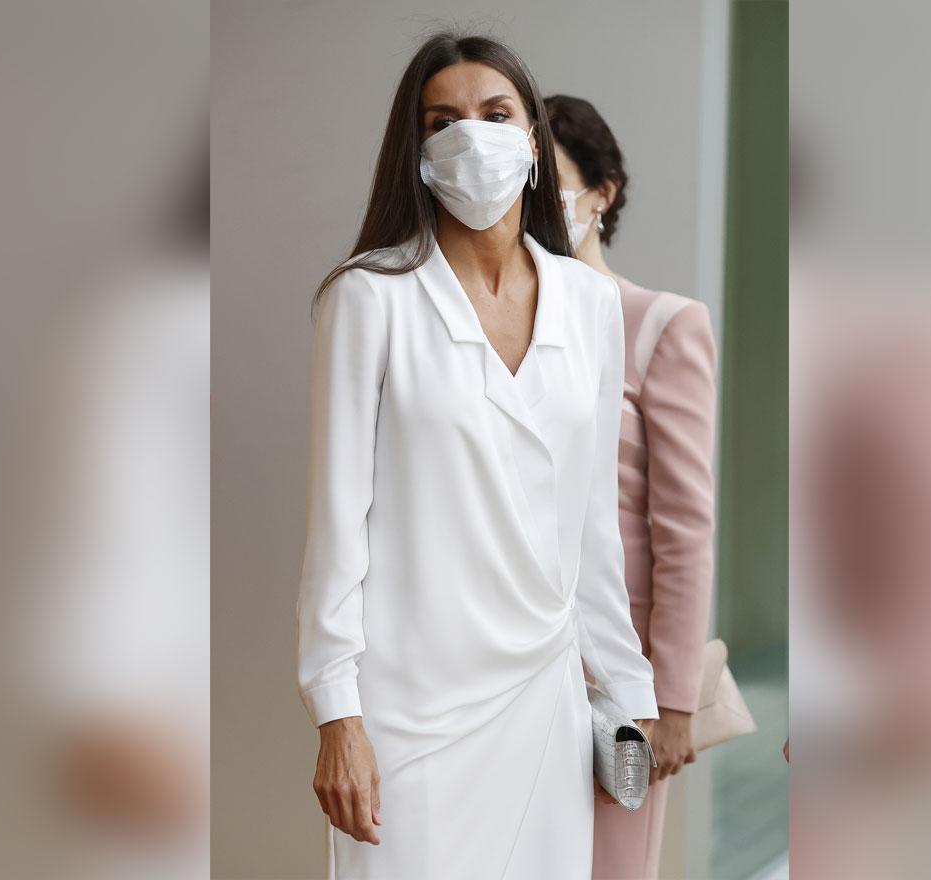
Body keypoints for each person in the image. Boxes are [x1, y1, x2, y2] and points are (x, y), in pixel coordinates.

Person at [295, 34, 659, 879]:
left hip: (545, 703)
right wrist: (336, 715)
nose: (473, 136)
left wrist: (631, 698)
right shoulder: (369, 297)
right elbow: (335, 526)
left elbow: (592, 529)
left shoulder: (590, 305)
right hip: (408, 710)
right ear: (416, 155)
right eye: (443, 121)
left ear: (532, 141)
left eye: (496, 114)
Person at [545, 94, 719, 880]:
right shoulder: (500, 332)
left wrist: (674, 697)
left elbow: (684, 526)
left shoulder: (661, 324)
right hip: (516, 664)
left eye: (542, 181)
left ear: (601, 193)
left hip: (619, 684)